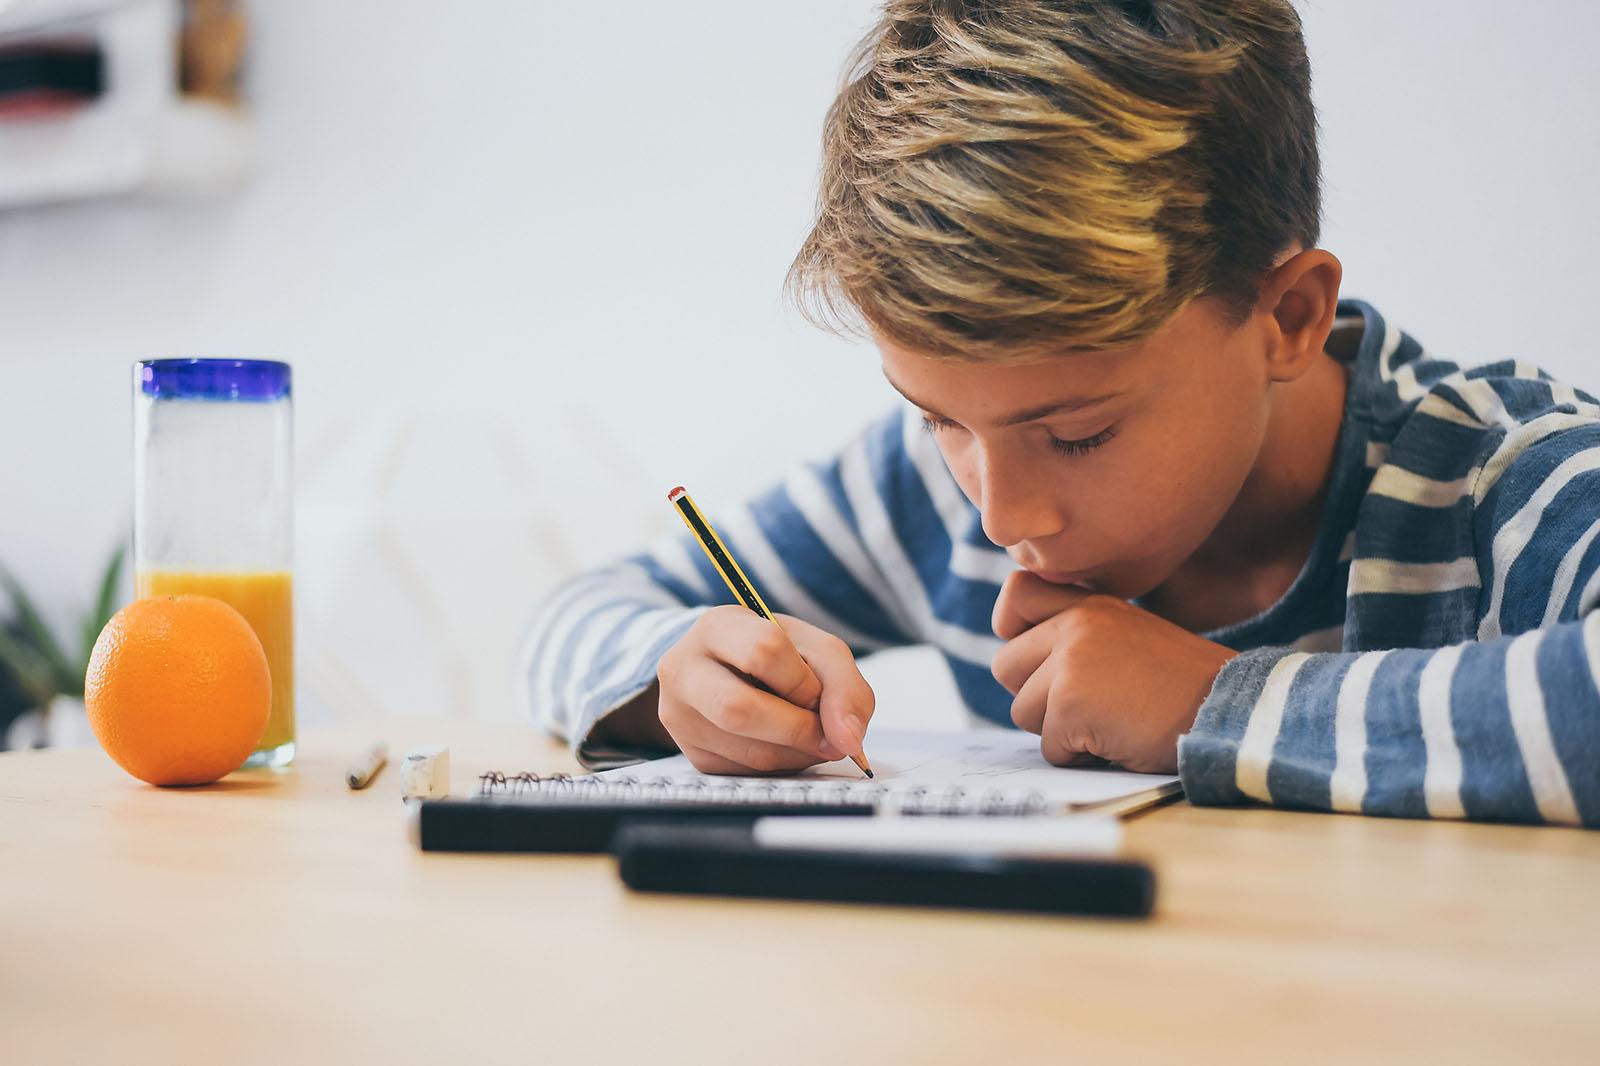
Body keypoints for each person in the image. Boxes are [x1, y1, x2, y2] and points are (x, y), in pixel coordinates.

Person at [520, 0, 1599, 825]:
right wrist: (680, 677)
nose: (999, 514)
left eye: (1079, 432)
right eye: (940, 417)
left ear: (1287, 317)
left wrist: (1210, 705)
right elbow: (573, 617)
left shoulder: (1497, 476)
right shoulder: (918, 494)